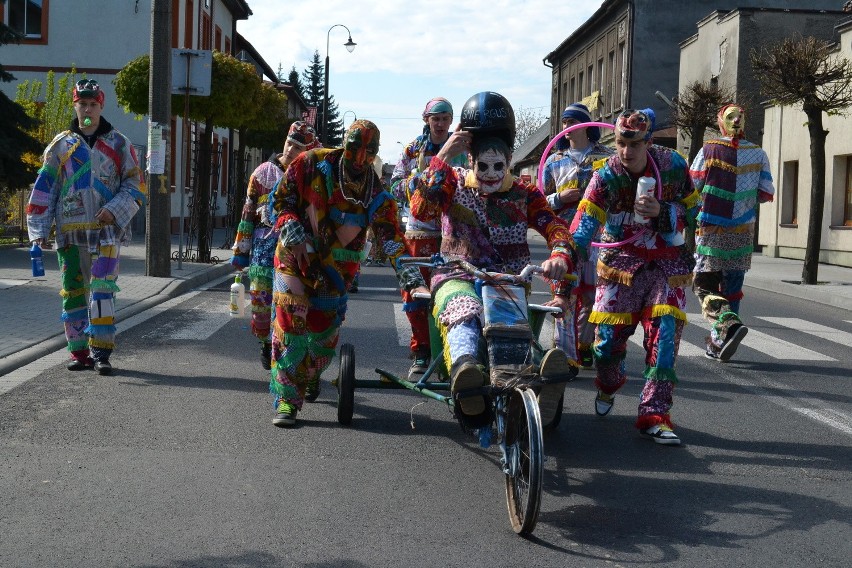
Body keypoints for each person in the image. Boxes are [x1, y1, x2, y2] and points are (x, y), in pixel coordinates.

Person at [410, 91, 577, 428]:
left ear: (510, 158)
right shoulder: (452, 183)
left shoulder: (525, 192)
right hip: (456, 273)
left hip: (507, 278)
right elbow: (421, 207)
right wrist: (444, 154)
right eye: (482, 165)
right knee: (464, 311)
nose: (489, 174)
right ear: (469, 158)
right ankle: (466, 374)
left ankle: (532, 387)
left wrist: (559, 253)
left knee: (508, 322)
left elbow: (556, 227)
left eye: (498, 165)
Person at [268, 119, 428, 427]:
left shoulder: (376, 194)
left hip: (337, 268)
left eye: (369, 151)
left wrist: (412, 279)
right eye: (354, 148)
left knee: (322, 335)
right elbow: (281, 200)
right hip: (295, 254)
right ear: (345, 142)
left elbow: (391, 237)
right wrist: (292, 227)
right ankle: (287, 399)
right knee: (291, 322)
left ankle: (311, 374)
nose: (359, 159)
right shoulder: (310, 163)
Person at [569, 108, 699, 445]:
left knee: (665, 336)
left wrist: (666, 212)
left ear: (649, 141)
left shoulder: (673, 166)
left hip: (667, 265)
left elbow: (694, 209)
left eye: (635, 144)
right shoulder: (605, 176)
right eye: (622, 143)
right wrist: (566, 255)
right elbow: (585, 223)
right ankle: (610, 384)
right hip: (619, 264)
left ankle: (655, 414)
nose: (627, 151)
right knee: (606, 345)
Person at [26, 79, 147, 376]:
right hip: (70, 232)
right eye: (83, 104)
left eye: (93, 104)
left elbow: (136, 185)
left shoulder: (119, 143)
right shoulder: (61, 145)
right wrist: (39, 230)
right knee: (73, 291)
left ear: (101, 105)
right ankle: (79, 352)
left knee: (103, 292)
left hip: (107, 232)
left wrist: (115, 209)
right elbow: (45, 187)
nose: (88, 109)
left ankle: (101, 351)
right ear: (75, 105)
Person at [230, 121, 320, 370]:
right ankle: (265, 342)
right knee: (261, 304)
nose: (291, 150)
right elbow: (247, 213)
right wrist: (241, 252)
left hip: (292, 252)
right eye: (290, 143)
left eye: (299, 148)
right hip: (263, 250)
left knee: (285, 305)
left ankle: (278, 348)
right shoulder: (262, 173)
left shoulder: (309, 178)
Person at [390, 97, 468, 381]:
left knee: (452, 292)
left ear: (451, 120)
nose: (440, 122)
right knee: (416, 292)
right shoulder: (413, 149)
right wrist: (420, 181)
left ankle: (450, 351)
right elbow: (395, 186)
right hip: (419, 230)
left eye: (445, 118)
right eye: (435, 118)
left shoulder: (463, 148)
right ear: (426, 119)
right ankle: (421, 351)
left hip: (453, 232)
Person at [690, 104, 775, 362]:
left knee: (704, 284)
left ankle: (724, 330)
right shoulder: (758, 153)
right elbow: (766, 191)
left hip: (711, 231)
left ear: (720, 123)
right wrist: (744, 201)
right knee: (733, 286)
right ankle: (721, 341)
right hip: (743, 232)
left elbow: (692, 186)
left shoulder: (708, 150)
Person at [541, 103, 614, 369]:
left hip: (599, 235)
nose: (566, 128)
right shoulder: (554, 160)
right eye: (563, 122)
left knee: (593, 295)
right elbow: (540, 201)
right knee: (564, 292)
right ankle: (564, 353)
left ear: (584, 126)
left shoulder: (607, 156)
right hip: (564, 235)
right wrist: (559, 198)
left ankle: (584, 346)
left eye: (571, 122)